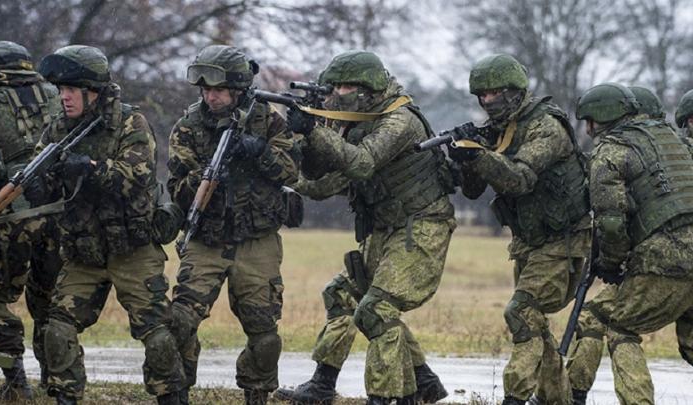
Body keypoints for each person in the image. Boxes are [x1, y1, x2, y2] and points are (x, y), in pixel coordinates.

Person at [276, 50, 456, 405]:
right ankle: (328, 384)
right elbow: (324, 184)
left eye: (346, 86)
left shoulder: (399, 120)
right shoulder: (355, 122)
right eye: (335, 87)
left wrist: (316, 128)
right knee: (341, 294)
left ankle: (389, 396)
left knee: (376, 310)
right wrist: (294, 154)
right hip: (385, 229)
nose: (338, 93)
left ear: (370, 88)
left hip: (421, 227)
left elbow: (361, 163)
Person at [37, 45, 184, 405]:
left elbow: (134, 176)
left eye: (71, 90)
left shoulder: (130, 122)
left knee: (158, 332)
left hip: (132, 248)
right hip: (84, 249)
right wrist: (42, 180)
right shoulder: (57, 126)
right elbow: (40, 176)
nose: (64, 97)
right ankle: (66, 396)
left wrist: (88, 168)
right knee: (57, 328)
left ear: (93, 91)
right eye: (61, 90)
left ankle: (172, 396)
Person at [451, 54, 590, 404]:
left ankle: (514, 396)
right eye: (481, 96)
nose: (486, 102)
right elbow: (471, 192)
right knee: (534, 324)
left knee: (521, 312)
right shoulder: (500, 130)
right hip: (530, 243)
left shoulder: (546, 126)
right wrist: (467, 156)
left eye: (493, 94)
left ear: (514, 92)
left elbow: (520, 179)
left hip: (563, 242)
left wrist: (480, 156)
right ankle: (558, 398)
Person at [166, 44, 300, 405]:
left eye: (219, 90)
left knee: (264, 329)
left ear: (238, 90)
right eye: (206, 90)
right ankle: (176, 391)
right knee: (179, 320)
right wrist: (207, 178)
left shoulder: (267, 120)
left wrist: (260, 151)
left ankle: (257, 394)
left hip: (257, 240)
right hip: (207, 238)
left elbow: (291, 171)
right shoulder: (188, 127)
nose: (211, 97)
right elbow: (177, 187)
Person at [574, 82, 693, 404]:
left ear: (605, 117)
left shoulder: (611, 151)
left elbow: (611, 222)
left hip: (666, 259)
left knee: (622, 329)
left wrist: (610, 263)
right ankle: (572, 391)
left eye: (591, 122)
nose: (588, 129)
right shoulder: (676, 142)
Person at [0, 40, 62, 400]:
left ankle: (16, 380)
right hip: (58, 213)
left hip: (13, 216)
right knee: (50, 301)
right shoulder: (58, 95)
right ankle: (58, 381)